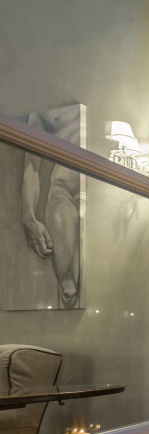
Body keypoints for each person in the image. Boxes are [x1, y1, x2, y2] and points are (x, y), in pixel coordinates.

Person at [22, 105, 81, 308]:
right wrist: (28, 214)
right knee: (69, 289)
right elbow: (32, 166)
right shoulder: (40, 111)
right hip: (64, 190)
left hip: (106, 195)